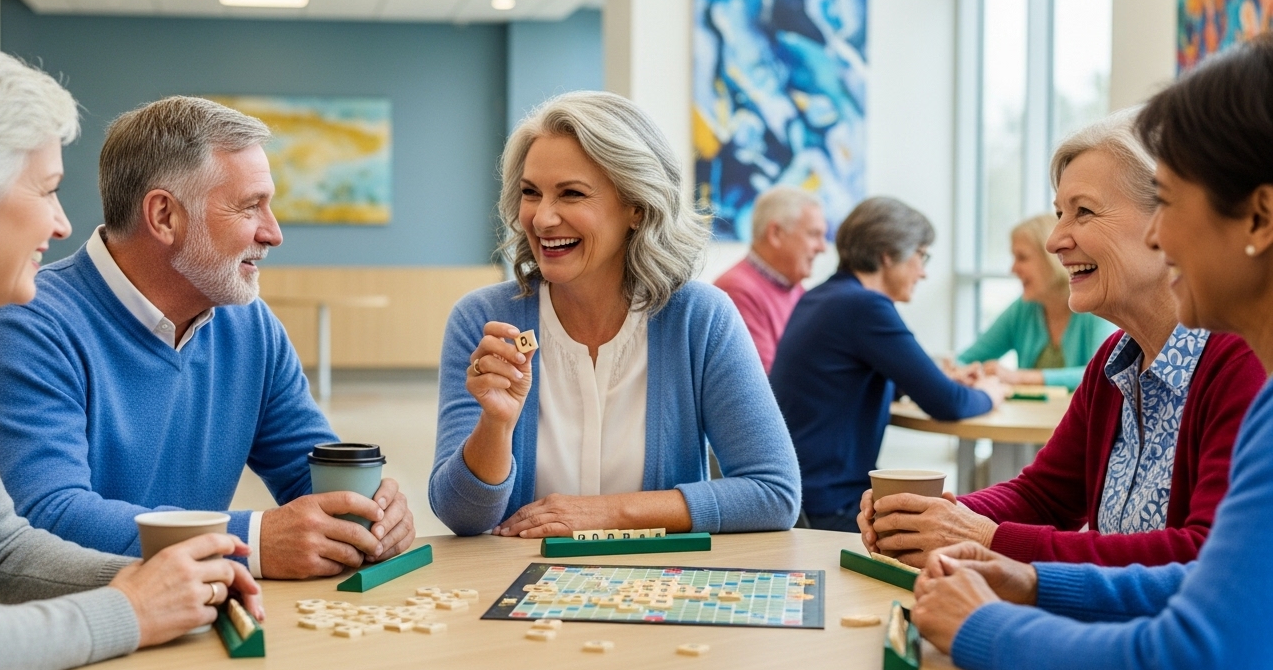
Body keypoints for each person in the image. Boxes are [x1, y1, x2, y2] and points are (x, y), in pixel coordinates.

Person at [0, 46, 263, 670]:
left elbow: (2, 551)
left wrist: (177, 578)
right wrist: (129, 609)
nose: (61, 223)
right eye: (47, 190)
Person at [909, 30, 1273, 670]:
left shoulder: (1248, 375)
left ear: (1259, 218)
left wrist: (984, 614)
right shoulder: (1121, 358)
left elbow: (1194, 656)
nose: (1163, 235)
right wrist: (1020, 569)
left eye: (1170, 202)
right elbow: (1201, 580)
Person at [0, 96, 415, 580]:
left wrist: (368, 510)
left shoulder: (251, 325)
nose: (274, 233)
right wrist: (250, 541)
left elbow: (308, 476)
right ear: (163, 216)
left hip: (195, 616)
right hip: (73, 628)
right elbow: (44, 520)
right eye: (250, 208)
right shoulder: (28, 326)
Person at [859, 111, 1263, 567]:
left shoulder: (1244, 360)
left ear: (1165, 222)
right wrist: (936, 518)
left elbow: (1201, 556)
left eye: (1083, 211)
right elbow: (1043, 496)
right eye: (1058, 214)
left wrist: (986, 539)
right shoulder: (1115, 360)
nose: (1054, 241)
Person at [428, 91, 800, 537]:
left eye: (571, 194)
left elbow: (774, 494)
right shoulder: (482, 320)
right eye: (531, 193)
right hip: (517, 592)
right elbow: (461, 516)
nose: (543, 218)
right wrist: (497, 423)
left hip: (657, 591)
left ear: (636, 207)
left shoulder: (699, 319)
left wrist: (610, 513)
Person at [770, 197, 1008, 532]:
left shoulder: (823, 297)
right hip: (830, 508)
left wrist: (942, 376)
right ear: (887, 255)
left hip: (804, 495)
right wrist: (989, 392)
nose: (923, 271)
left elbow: (873, 381)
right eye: (921, 255)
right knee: (956, 534)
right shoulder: (865, 307)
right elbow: (947, 403)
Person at [948, 213, 1115, 390]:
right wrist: (964, 373)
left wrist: (1019, 377)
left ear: (1053, 259)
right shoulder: (1023, 309)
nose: (1012, 269)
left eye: (1022, 257)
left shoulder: (1096, 307)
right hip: (1031, 418)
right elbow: (964, 360)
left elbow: (1104, 373)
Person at [713, 185, 828, 373]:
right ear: (775, 234)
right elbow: (769, 385)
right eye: (814, 234)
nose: (822, 247)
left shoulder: (796, 289)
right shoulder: (736, 290)